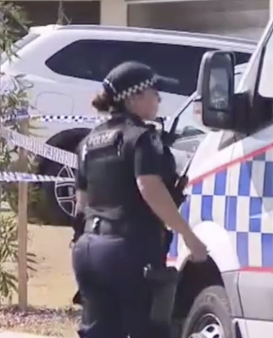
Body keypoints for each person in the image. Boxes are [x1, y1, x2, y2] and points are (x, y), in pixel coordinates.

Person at [71, 61, 208, 338]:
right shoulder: (142, 137)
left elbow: (81, 203)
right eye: (154, 91)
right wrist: (189, 236)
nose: (159, 98)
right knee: (149, 330)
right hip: (128, 251)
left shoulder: (89, 142)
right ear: (133, 98)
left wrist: (80, 242)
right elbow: (149, 187)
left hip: (88, 249)